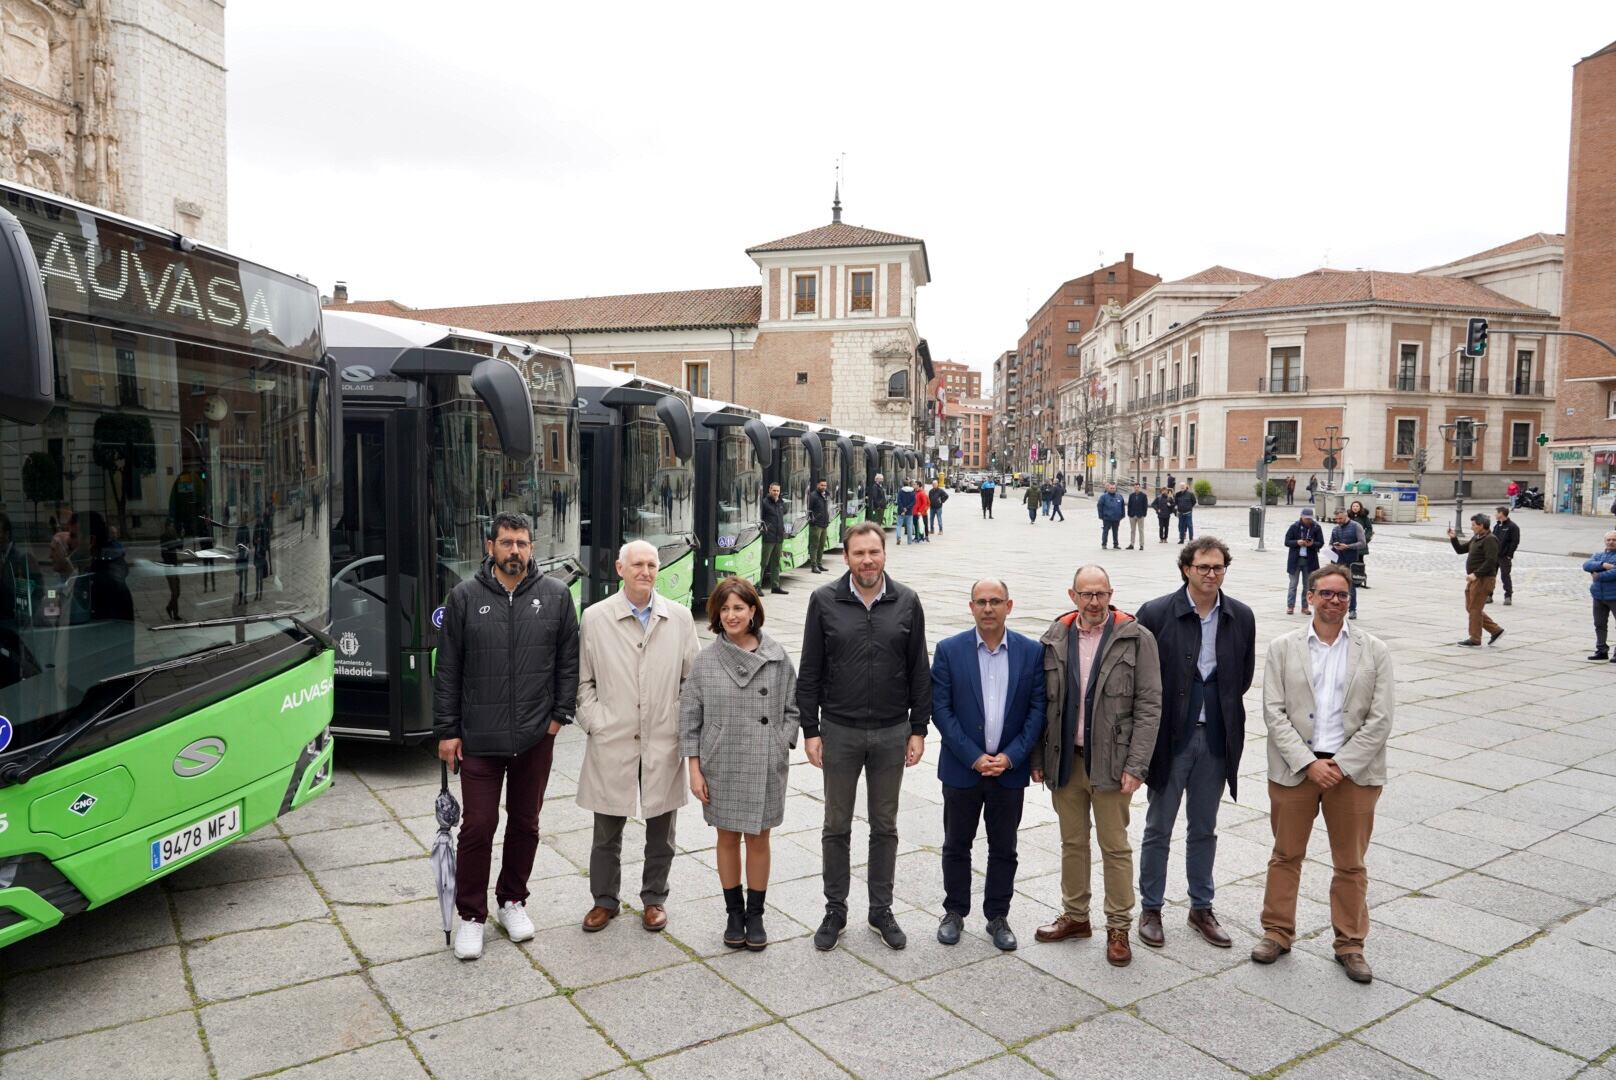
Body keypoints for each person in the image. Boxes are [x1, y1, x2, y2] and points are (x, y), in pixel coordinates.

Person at [435, 511, 579, 960]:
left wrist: (557, 719)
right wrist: (446, 731)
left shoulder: (556, 597)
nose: (514, 550)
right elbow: (448, 669)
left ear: (532, 548)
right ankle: (472, 916)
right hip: (479, 737)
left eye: (521, 542)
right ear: (489, 547)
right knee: (478, 826)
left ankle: (512, 900)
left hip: (535, 737)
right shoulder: (464, 597)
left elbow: (568, 663)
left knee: (526, 823)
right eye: (506, 542)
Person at [1253, 564, 1394, 984]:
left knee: (1350, 863)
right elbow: (1273, 712)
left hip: (1353, 773)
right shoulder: (1284, 647)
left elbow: (1381, 718)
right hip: (1295, 769)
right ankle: (1276, 932)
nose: (1335, 601)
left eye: (1342, 595)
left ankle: (1350, 944)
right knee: (1285, 855)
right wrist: (1308, 762)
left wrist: (1342, 765)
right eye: (1327, 594)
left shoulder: (1374, 650)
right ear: (1310, 596)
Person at [798, 521, 930, 952]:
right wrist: (811, 730)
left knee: (885, 825)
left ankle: (880, 909)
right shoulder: (823, 601)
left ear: (885, 555)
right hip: (839, 729)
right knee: (835, 824)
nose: (867, 560)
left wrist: (918, 729)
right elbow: (811, 670)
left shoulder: (907, 601)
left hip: (892, 731)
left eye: (874, 552)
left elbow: (918, 671)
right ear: (847, 556)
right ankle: (835, 909)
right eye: (859, 553)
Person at [1032, 565, 1162, 968]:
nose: (1094, 602)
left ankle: (1119, 926)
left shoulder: (1136, 638)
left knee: (1115, 846)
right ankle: (1075, 916)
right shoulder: (1054, 637)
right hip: (1066, 760)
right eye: (1086, 594)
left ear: (1111, 594)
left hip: (1112, 761)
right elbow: (1040, 703)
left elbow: (1149, 705)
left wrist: (1137, 766)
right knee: (1072, 842)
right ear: (1072, 596)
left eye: (1100, 594)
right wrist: (1039, 758)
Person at [1135, 537, 1257, 952]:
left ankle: (1200, 906)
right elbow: (1139, 680)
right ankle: (1151, 907)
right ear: (1186, 568)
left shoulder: (1240, 616)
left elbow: (1241, 678)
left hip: (1217, 738)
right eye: (1203, 567)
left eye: (1218, 567)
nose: (1211, 574)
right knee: (1158, 827)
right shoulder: (1155, 613)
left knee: (1204, 827)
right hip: (1170, 738)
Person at [577, 540, 700, 933]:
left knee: (662, 830)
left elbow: (692, 682)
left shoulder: (678, 618)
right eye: (637, 565)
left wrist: (680, 721)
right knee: (606, 830)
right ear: (619, 568)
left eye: (651, 565)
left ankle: (654, 899)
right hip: (612, 737)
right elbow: (582, 683)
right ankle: (604, 900)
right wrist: (597, 721)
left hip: (663, 738)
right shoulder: (595, 618)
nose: (645, 572)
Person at [681, 576, 798, 951]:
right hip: (721, 761)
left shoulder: (778, 657)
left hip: (765, 760)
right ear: (716, 613)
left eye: (739, 608)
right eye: (725, 608)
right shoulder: (705, 660)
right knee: (727, 835)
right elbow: (689, 718)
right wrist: (693, 768)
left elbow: (793, 709)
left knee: (760, 836)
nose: (731, 615)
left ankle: (757, 913)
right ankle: (734, 912)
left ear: (753, 611)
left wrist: (780, 742)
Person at [931, 579, 1046, 951]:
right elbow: (941, 710)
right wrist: (973, 756)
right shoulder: (950, 650)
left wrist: (1011, 756)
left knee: (1004, 848)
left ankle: (997, 915)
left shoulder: (1031, 652)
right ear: (971, 607)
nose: (988, 608)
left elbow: (1037, 709)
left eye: (995, 601)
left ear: (1009, 606)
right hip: (963, 769)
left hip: (1008, 772)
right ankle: (954, 911)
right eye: (981, 601)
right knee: (956, 844)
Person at [1448, 514, 1504, 648]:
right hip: (1474, 578)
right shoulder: (1477, 538)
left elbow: (1491, 561)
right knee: (1471, 608)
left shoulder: (1490, 539)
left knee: (1474, 608)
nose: (1472, 527)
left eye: (1474, 525)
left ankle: (1475, 639)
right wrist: (1454, 538)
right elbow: (1461, 550)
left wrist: (1476, 574)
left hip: (1483, 579)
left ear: (1482, 525)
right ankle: (1496, 630)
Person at [1284, 507, 1325, 615]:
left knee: (1307, 586)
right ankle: (1290, 606)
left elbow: (1321, 542)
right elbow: (1287, 541)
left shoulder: (1316, 527)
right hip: (1295, 561)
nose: (1308, 520)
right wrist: (1297, 542)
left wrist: (1312, 544)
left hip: (1310, 561)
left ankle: (1305, 607)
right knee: (1293, 584)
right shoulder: (1294, 527)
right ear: (1301, 517)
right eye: (1306, 518)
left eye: (1309, 518)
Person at [1583, 531, 1616, 662]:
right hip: (1598, 596)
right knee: (1599, 624)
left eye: (1614, 539)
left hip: (1614, 596)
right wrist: (1603, 565)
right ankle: (1601, 650)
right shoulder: (1599, 555)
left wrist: (1599, 575)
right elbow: (1586, 565)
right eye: (1608, 540)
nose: (1611, 542)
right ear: (1605, 541)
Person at [1328, 508, 1366, 620]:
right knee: (1336, 586)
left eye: (1340, 518)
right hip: (1337, 561)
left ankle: (1352, 610)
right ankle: (1338, 608)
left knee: (1351, 587)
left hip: (1351, 561)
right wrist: (1334, 546)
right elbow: (1330, 543)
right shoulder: (1335, 529)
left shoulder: (1356, 526)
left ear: (1346, 516)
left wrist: (1348, 546)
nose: (1338, 521)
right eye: (1336, 519)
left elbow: (1362, 543)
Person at [760, 482, 788, 594]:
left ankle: (775, 586)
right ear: (769, 490)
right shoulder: (764, 503)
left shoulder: (781, 503)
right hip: (768, 538)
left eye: (778, 491)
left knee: (776, 563)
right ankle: (758, 586)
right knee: (763, 563)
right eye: (774, 490)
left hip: (779, 537)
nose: (776, 493)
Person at [1491, 506, 1519, 606]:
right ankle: (1489, 595)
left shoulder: (1512, 527)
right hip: (1494, 556)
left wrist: (1509, 555)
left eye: (1496, 513)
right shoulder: (1497, 526)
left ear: (1501, 514)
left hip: (1504, 556)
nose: (1494, 514)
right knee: (1491, 576)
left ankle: (1508, 596)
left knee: (1505, 576)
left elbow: (1515, 542)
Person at [1346, 500, 1374, 587]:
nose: (1355, 508)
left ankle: (1359, 579)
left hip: (1360, 543)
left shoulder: (1364, 517)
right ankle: (1349, 579)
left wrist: (1365, 538)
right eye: (1353, 506)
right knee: (1348, 561)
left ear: (1360, 507)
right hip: (1349, 543)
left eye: (1357, 506)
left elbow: (1369, 529)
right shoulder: (1348, 516)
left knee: (1359, 561)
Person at [807, 478, 830, 574]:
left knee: (821, 546)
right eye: (822, 485)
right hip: (816, 525)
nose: (823, 487)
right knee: (814, 546)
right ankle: (814, 566)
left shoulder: (825, 495)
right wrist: (813, 520)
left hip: (824, 524)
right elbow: (809, 509)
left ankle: (819, 564)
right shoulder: (813, 496)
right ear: (817, 485)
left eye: (825, 485)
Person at [1097, 483, 1124, 549]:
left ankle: (1116, 544)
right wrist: (1101, 516)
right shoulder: (1103, 497)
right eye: (1111, 488)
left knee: (1115, 532)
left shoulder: (1119, 496)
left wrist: (1122, 515)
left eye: (1113, 488)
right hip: (1107, 518)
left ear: (1115, 488)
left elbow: (1122, 506)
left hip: (1116, 518)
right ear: (1108, 488)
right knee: (1105, 531)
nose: (1112, 489)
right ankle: (1104, 544)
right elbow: (1099, 506)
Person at [1125, 483, 1148, 550]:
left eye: (1138, 487)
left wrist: (1144, 514)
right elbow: (1129, 505)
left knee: (1141, 530)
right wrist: (1129, 514)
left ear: (1139, 488)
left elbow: (1145, 506)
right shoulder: (1131, 495)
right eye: (1135, 487)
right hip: (1132, 515)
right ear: (1134, 488)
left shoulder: (1143, 495)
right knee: (1132, 530)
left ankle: (1141, 545)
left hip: (1140, 515)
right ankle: (1132, 544)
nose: (1136, 488)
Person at [897, 478, 917, 544]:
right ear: (909, 484)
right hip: (909, 512)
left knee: (899, 525)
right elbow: (914, 502)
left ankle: (898, 537)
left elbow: (899, 501)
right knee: (909, 526)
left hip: (901, 511)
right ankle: (909, 541)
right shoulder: (912, 492)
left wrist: (903, 509)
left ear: (903, 484)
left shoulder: (900, 491)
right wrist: (907, 508)